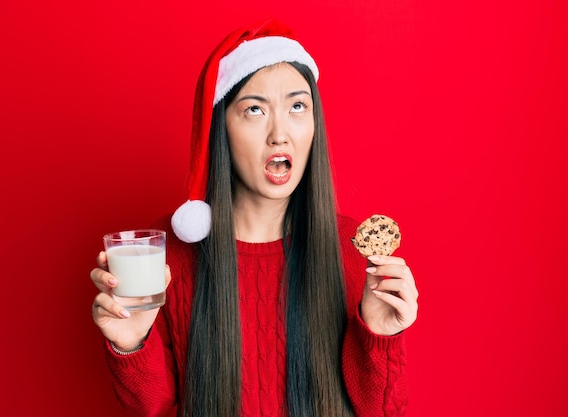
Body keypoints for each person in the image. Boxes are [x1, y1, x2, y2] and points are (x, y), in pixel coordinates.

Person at [90, 19, 419, 417]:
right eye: (254, 110)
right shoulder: (165, 260)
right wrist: (131, 346)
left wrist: (380, 338)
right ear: (221, 129)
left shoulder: (353, 254)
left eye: (298, 106)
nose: (279, 133)